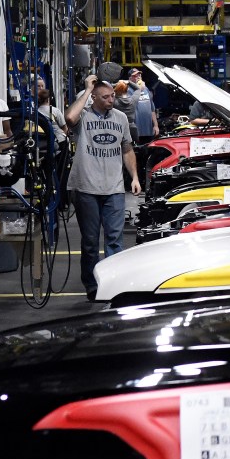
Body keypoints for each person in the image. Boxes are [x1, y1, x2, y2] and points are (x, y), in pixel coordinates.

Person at [65, 76, 141, 301]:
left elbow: (126, 149)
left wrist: (134, 177)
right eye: (106, 97)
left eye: (113, 96)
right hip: (86, 188)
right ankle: (91, 285)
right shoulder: (84, 116)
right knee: (90, 242)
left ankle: (112, 285)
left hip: (114, 188)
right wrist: (87, 89)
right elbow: (69, 117)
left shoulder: (120, 118)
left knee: (114, 240)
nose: (111, 100)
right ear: (94, 98)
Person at [128, 69, 159, 144]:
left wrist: (156, 125)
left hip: (148, 130)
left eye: (139, 75)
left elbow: (152, 109)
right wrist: (139, 90)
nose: (138, 77)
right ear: (130, 78)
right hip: (136, 130)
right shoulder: (127, 90)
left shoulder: (146, 89)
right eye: (135, 76)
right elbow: (129, 106)